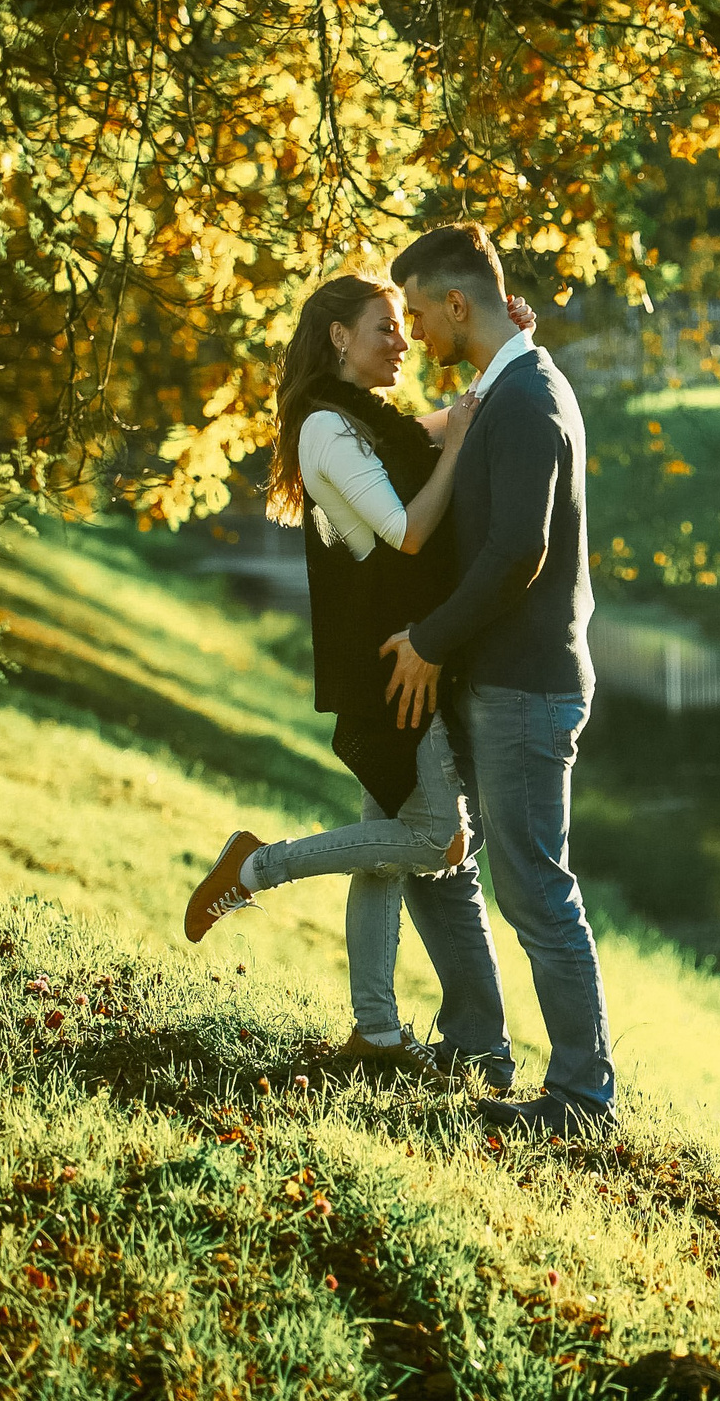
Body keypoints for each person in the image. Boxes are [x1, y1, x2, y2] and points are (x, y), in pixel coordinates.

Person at [182, 273, 532, 1085]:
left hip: (407, 652)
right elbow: (408, 533)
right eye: (385, 326)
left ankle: (376, 1030)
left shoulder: (370, 421)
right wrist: (462, 432)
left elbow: (459, 423)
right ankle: (253, 868)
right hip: (387, 665)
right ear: (339, 336)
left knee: (382, 846)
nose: (403, 341)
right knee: (435, 839)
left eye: (405, 328)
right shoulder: (325, 431)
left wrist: (510, 342)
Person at [379, 222, 620, 1138]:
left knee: (531, 887)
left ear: (454, 304)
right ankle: (477, 1044)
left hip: (525, 687)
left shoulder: (528, 401)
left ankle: (581, 1099)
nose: (413, 337)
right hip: (491, 680)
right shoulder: (505, 384)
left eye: (416, 314)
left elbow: (522, 547)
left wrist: (430, 641)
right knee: (438, 855)